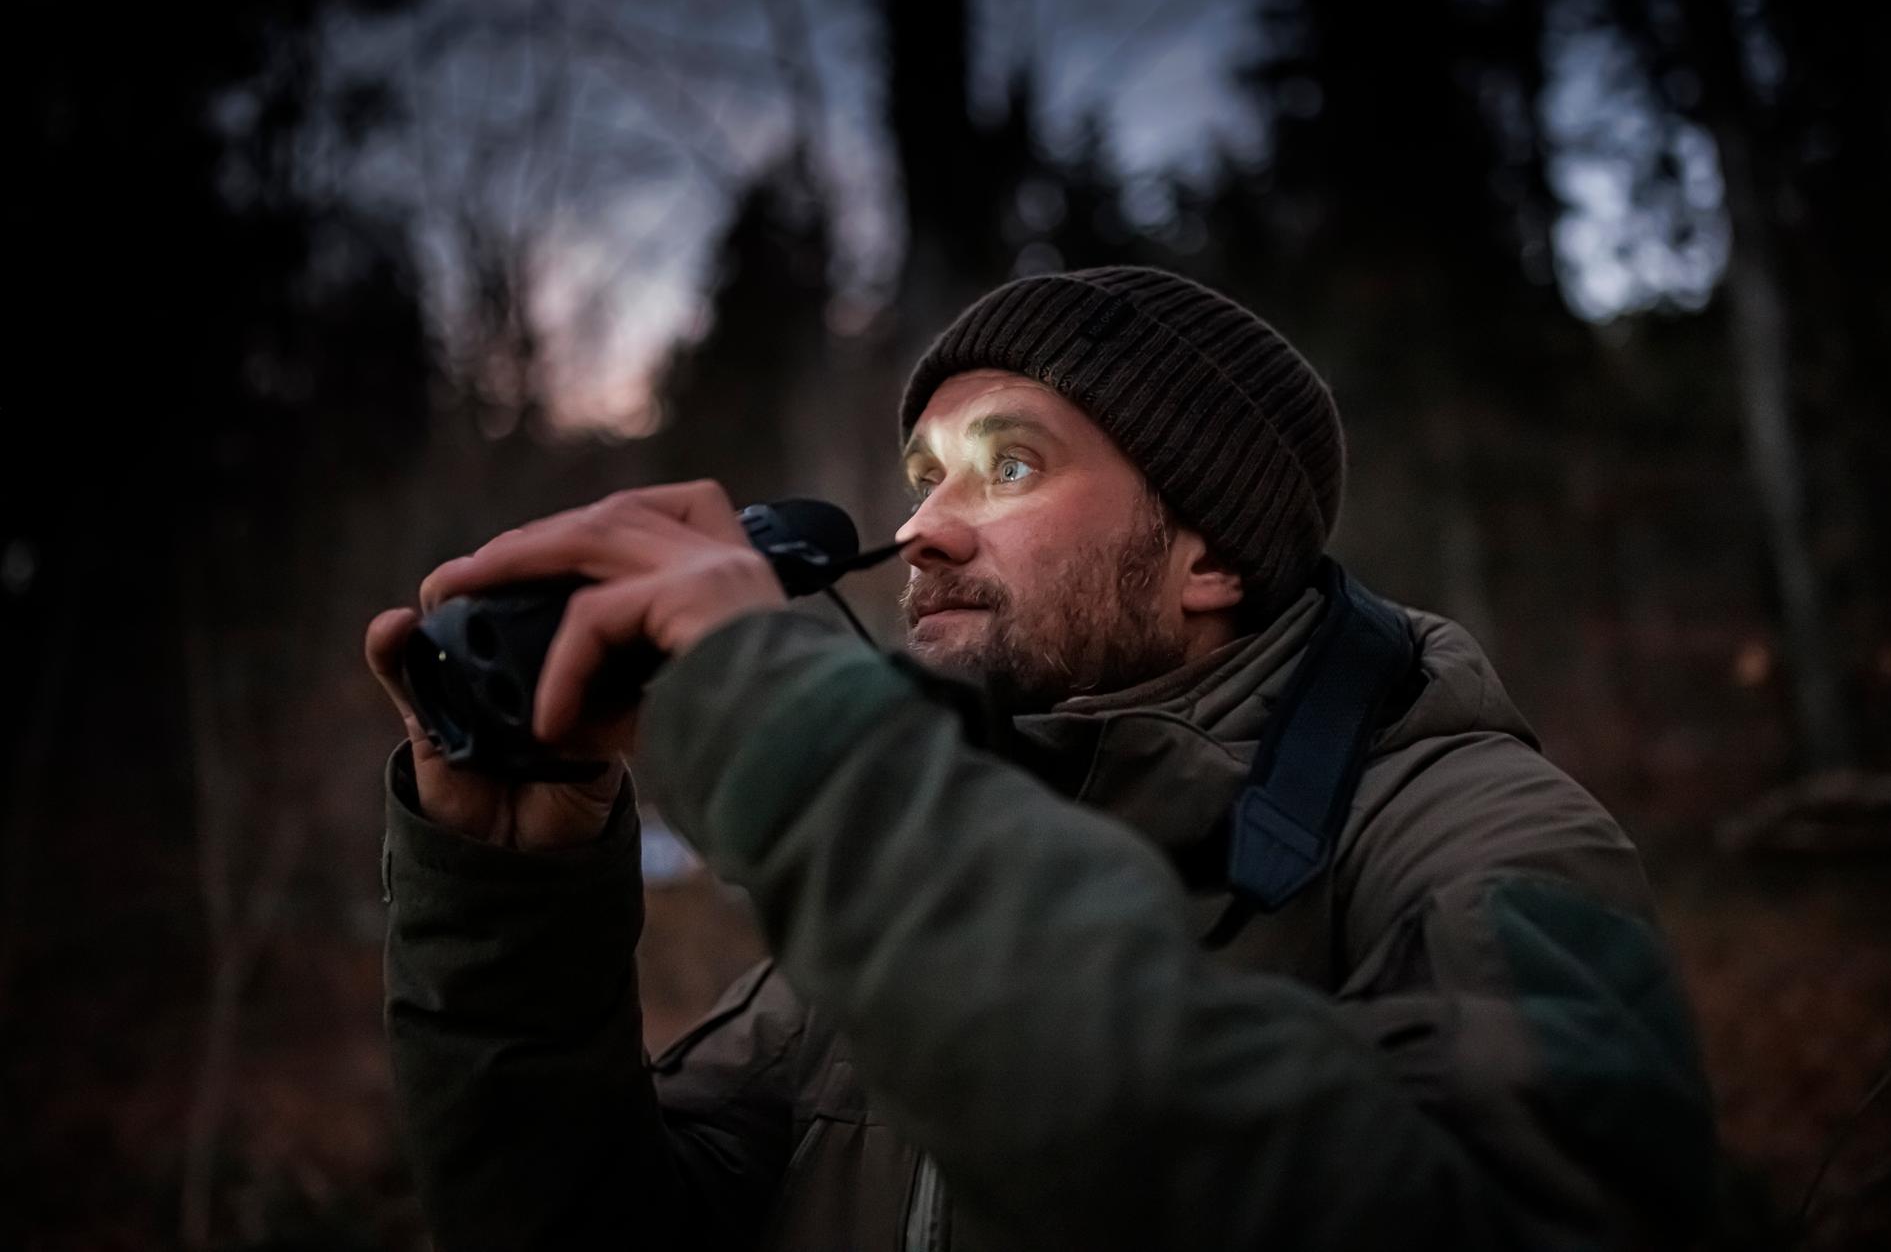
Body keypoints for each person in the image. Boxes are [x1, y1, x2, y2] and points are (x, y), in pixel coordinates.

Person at [366, 266, 1716, 1251]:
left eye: (1007, 467)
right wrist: (512, 894)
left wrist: (802, 744)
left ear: (1215, 556)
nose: (922, 534)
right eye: (923, 475)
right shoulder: (934, 844)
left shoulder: (1475, 833)